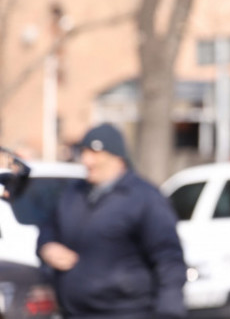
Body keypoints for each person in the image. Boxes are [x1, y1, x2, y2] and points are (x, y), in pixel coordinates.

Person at [37, 123, 187, 319]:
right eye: (84, 153)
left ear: (117, 157)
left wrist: (169, 312)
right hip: (74, 312)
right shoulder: (72, 193)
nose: (86, 161)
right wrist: (47, 247)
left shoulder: (144, 198)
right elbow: (48, 228)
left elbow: (168, 258)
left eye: (95, 153)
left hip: (128, 311)